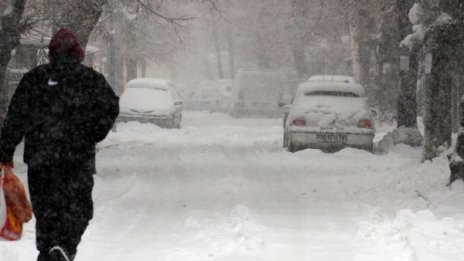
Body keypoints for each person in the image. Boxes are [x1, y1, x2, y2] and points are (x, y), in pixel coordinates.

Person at [0, 28, 119, 261]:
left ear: (51, 53)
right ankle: (63, 247)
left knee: (47, 213)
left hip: (41, 161)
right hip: (77, 161)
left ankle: (49, 251)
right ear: (78, 53)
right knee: (79, 209)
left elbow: (15, 118)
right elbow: (110, 107)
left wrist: (5, 151)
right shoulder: (91, 80)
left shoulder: (34, 79)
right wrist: (92, 133)